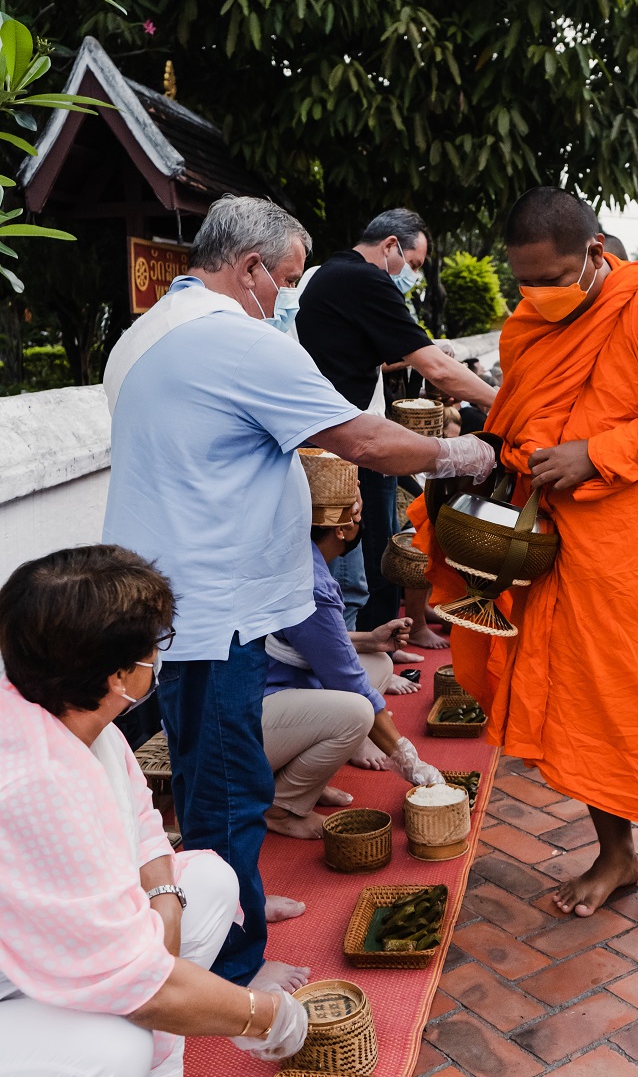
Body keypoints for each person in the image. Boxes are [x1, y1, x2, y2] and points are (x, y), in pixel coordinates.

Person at [102, 195, 494, 988]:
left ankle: (234, 903)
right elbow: (364, 439)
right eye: (283, 281)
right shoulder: (236, 339)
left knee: (221, 772)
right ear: (248, 269)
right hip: (216, 607)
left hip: (174, 599)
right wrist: (466, 456)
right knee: (225, 786)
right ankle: (236, 968)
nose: (288, 300)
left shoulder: (144, 334)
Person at [411, 186, 638, 920]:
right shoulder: (528, 324)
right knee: (577, 701)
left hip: (637, 542)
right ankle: (614, 854)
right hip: (552, 542)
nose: (539, 295)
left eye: (553, 280)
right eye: (526, 281)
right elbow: (520, 414)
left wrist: (596, 453)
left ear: (594, 253)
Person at [0, 546, 309, 1077]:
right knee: (117, 1050)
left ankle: (164, 1042)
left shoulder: (74, 719)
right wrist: (267, 1017)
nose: (159, 658)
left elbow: (147, 831)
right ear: (119, 677)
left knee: (210, 877)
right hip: (13, 983)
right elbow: (135, 984)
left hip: (61, 952)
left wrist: (163, 906)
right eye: (155, 646)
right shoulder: (35, 782)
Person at [296, 208, 497, 631]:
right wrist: (503, 403)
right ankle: (361, 663)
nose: (413, 275)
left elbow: (371, 354)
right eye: (415, 264)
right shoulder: (365, 279)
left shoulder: (328, 274)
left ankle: (366, 650)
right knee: (351, 570)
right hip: (344, 444)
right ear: (390, 246)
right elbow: (436, 370)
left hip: (323, 440)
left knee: (347, 561)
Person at [262, 510, 443, 838]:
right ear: (343, 528)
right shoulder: (311, 581)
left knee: (380, 663)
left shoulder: (292, 552)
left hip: (269, 697)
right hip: (243, 723)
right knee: (358, 710)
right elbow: (349, 683)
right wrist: (410, 761)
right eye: (359, 510)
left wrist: (370, 639)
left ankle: (303, 788)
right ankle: (280, 807)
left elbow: (311, 640)